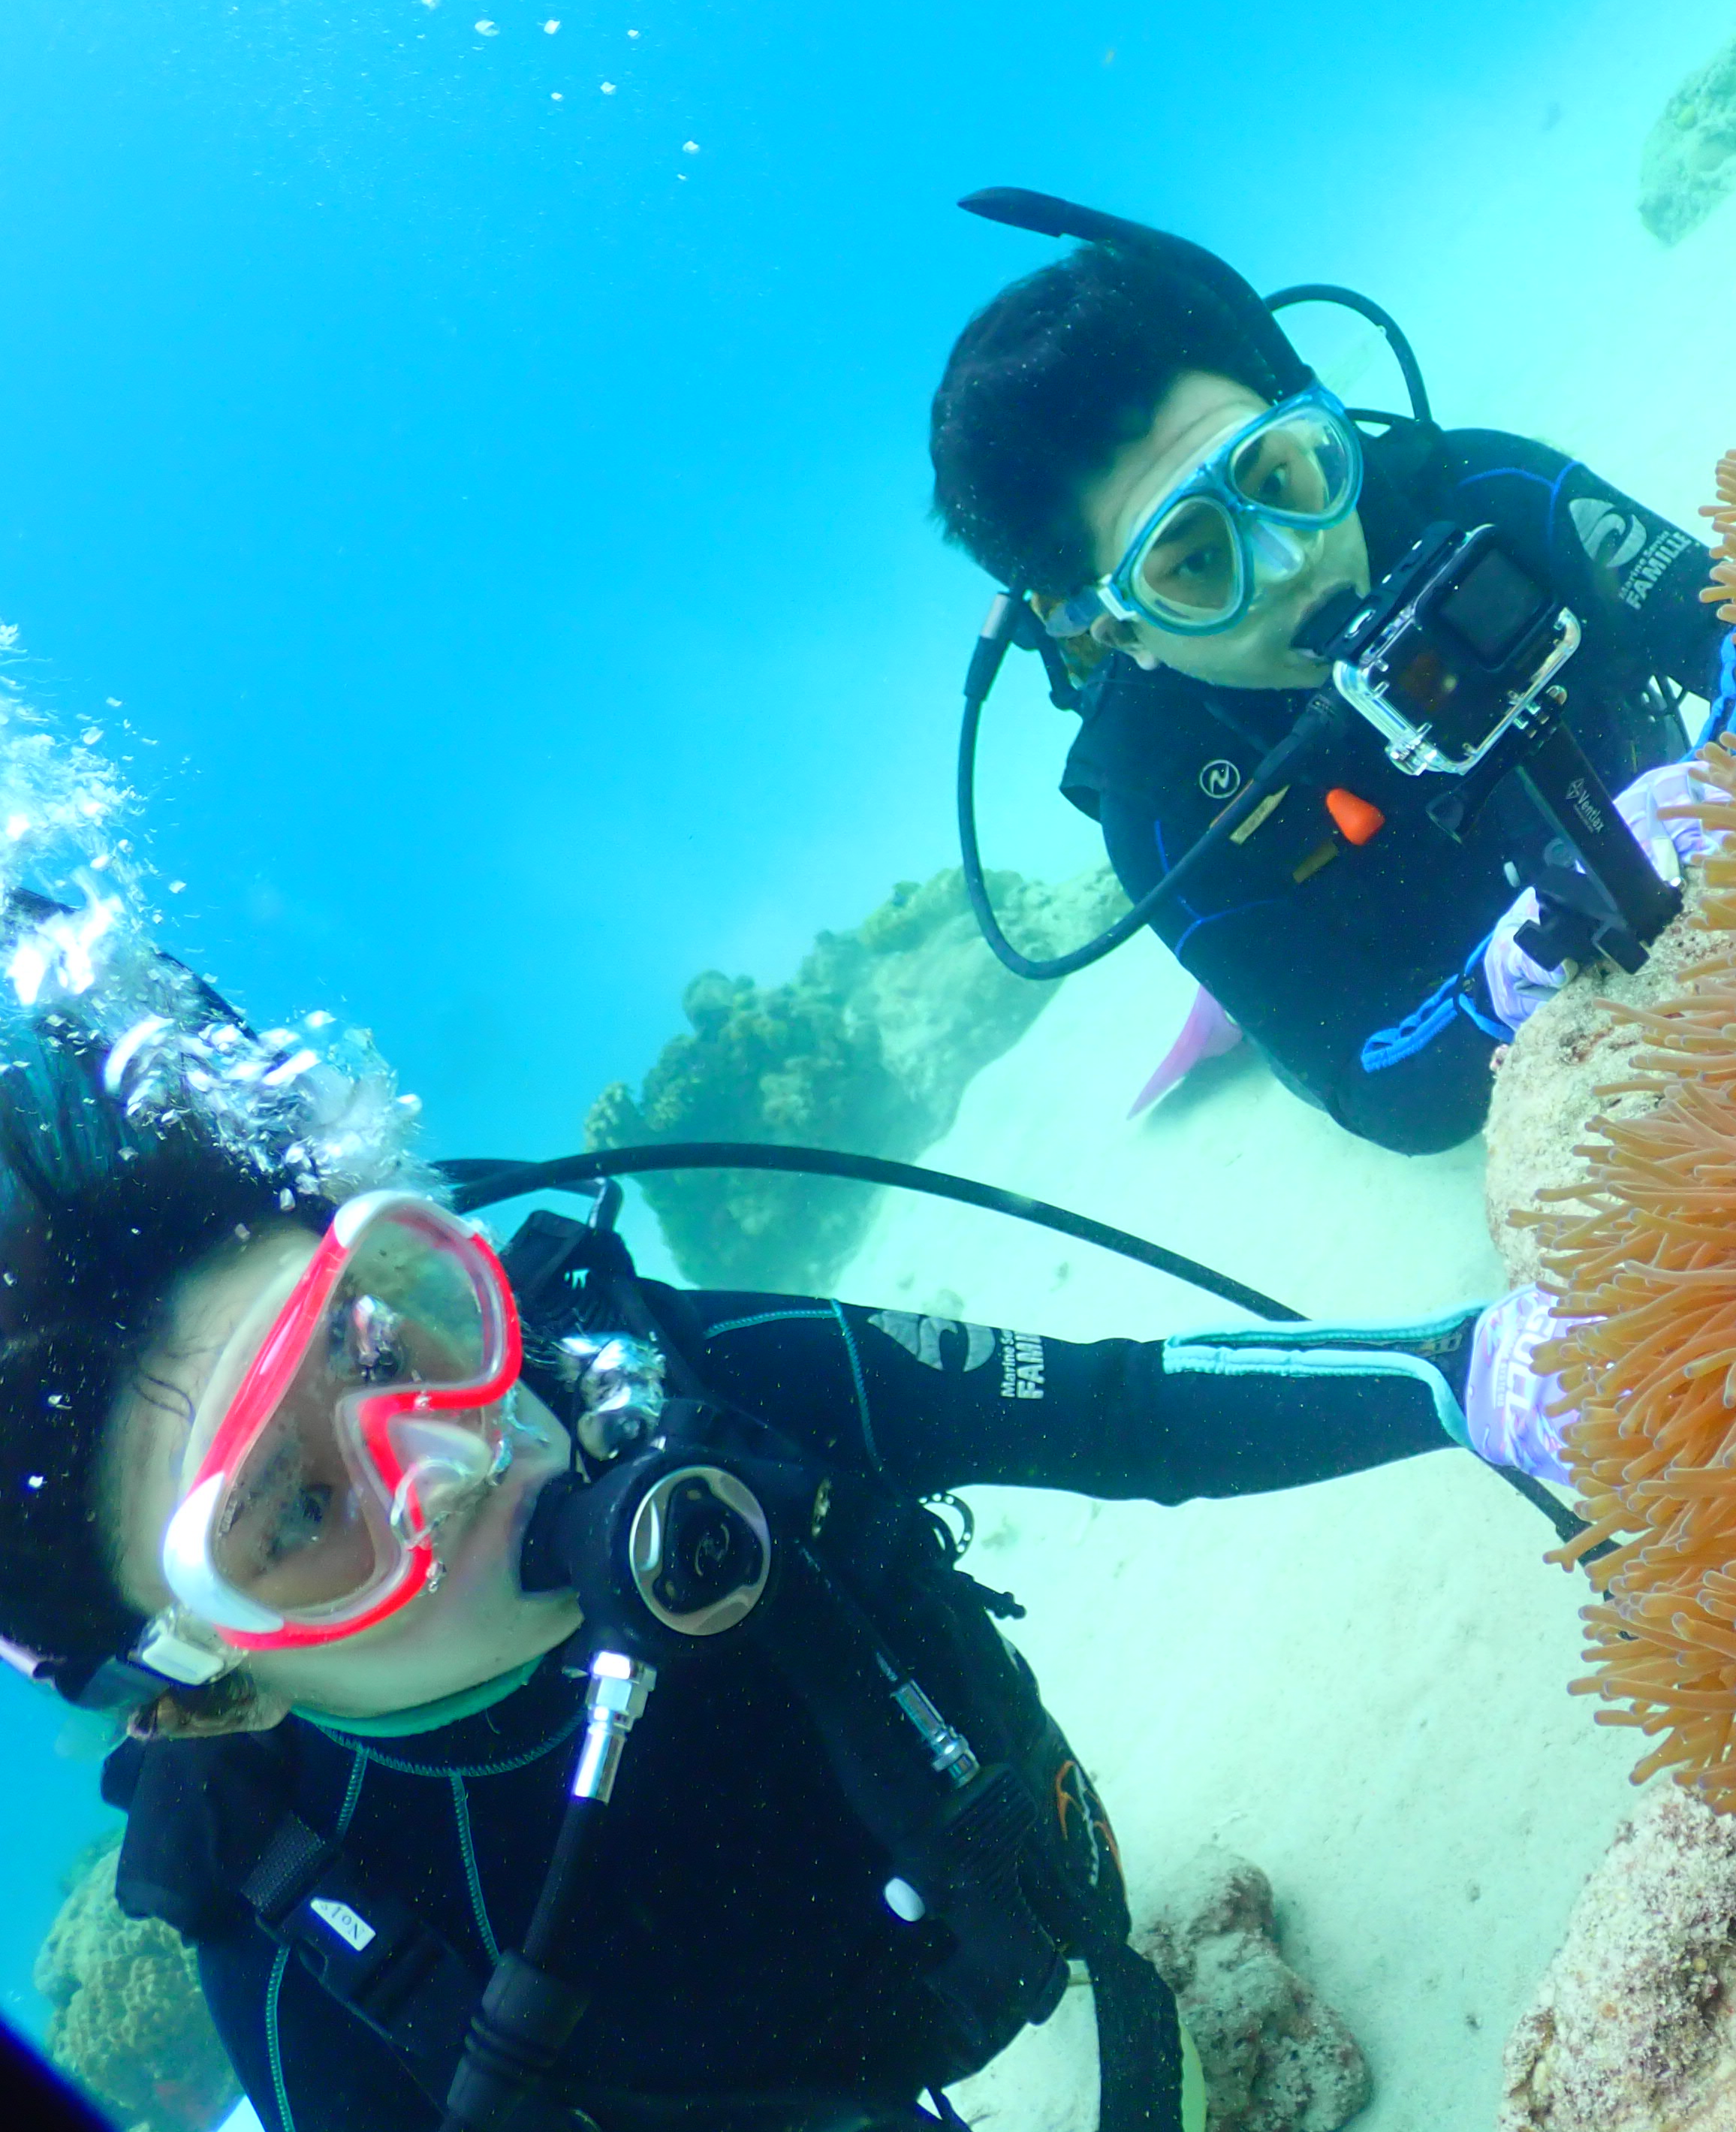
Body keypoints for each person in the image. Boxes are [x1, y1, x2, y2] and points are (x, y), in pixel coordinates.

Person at [0, 891, 1574, 2132]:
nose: (451, 1451)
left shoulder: (665, 1376)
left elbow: (1115, 1408)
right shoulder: (291, 1933)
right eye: (293, 1514)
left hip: (1030, 1901)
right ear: (201, 1683)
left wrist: (1466, 1375)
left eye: (380, 1332)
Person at [928, 199, 1736, 1157]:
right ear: (1118, 630)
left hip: (1659, 804)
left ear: (1311, 422)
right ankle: (1233, 997)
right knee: (1269, 982)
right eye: (1196, 562)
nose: (1290, 563)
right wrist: (1499, 985)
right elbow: (1376, 1089)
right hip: (1430, 973)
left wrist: (1719, 781)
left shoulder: (1483, 496)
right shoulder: (1160, 802)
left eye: (1278, 478)